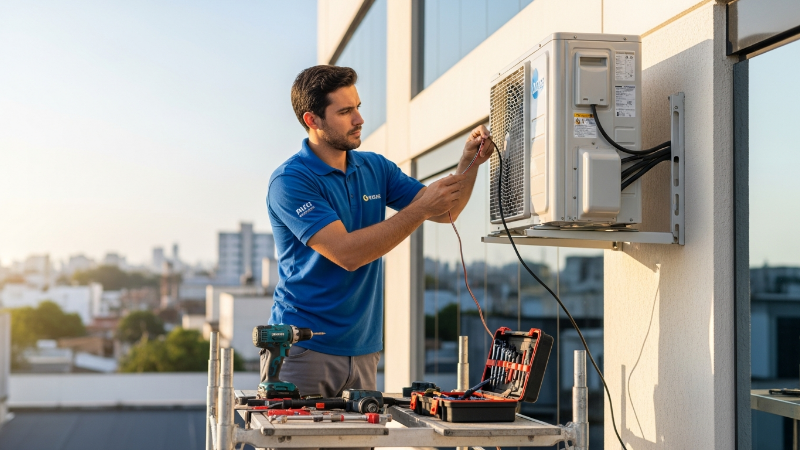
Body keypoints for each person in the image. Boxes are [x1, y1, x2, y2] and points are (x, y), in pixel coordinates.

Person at [263, 65, 495, 399]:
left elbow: (445, 210)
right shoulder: (290, 181)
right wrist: (419, 209)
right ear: (312, 120)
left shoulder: (375, 168)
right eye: (345, 111)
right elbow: (347, 254)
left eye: (358, 107)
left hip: (364, 350)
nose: (359, 119)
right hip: (302, 352)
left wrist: (469, 163)